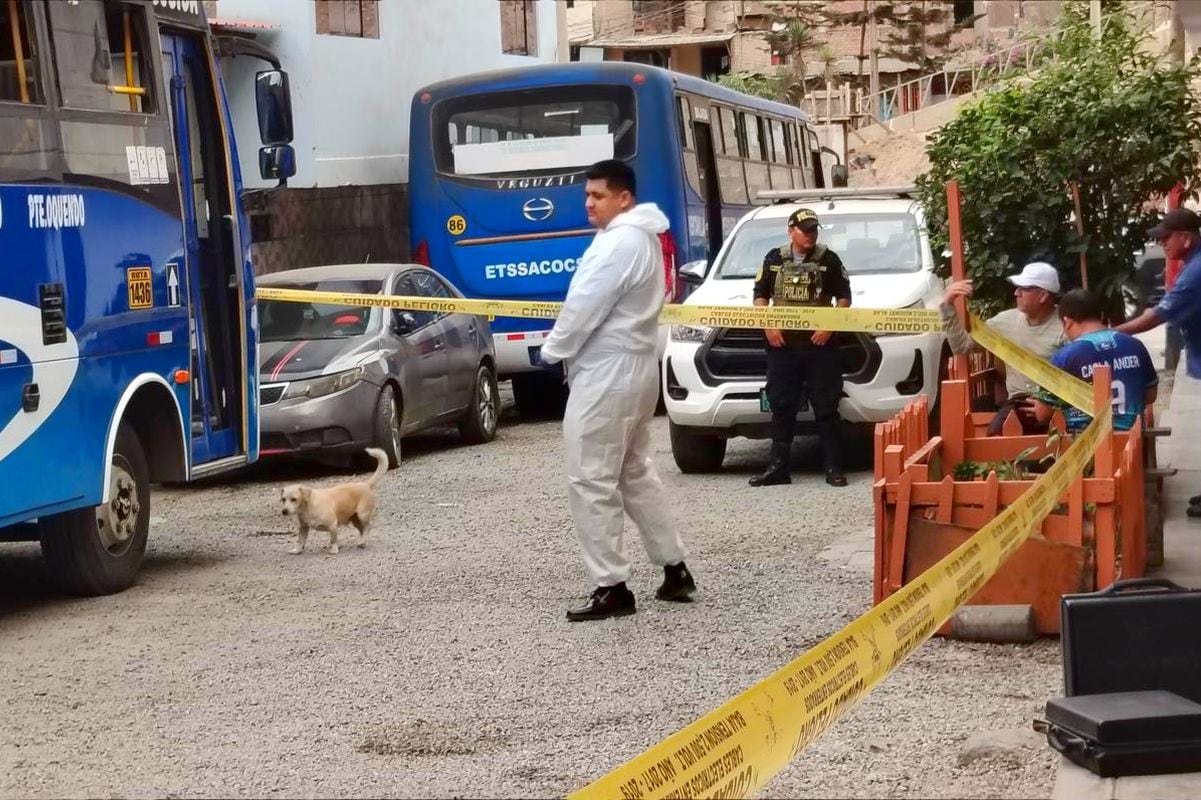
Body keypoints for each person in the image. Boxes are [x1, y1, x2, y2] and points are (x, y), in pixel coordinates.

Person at [537, 159, 696, 622]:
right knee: (633, 472)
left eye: (598, 195)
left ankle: (611, 586)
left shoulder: (619, 242)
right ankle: (674, 567)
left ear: (624, 198)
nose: (589, 203)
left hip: (608, 370)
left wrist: (552, 350)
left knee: (590, 477)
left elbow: (583, 304)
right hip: (633, 368)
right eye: (587, 195)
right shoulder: (639, 238)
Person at [749, 208, 852, 488]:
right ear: (790, 230)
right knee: (781, 405)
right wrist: (768, 327)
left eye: (813, 230)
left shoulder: (829, 260)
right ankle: (778, 467)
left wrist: (828, 326)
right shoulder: (774, 259)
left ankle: (833, 467)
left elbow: (844, 298)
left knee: (826, 406)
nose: (810, 235)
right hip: (784, 347)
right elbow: (760, 297)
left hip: (819, 347)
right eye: (805, 230)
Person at [1118, 207, 1201, 516]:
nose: (1162, 244)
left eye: (1167, 238)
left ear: (1186, 238)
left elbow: (1156, 315)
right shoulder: (1193, 264)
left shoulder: (1195, 271)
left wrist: (1110, 333)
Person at [941, 261, 1067, 434]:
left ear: (1043, 295)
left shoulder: (1066, 324)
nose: (1016, 293)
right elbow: (963, 347)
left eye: (1023, 288)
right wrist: (947, 305)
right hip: (1019, 403)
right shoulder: (1003, 322)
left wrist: (1050, 404)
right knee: (995, 441)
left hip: (1062, 403)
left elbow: (1081, 370)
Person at [1027, 289, 1157, 433]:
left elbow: (1042, 415)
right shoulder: (1135, 346)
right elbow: (1151, 396)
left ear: (1066, 321)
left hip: (1087, 446)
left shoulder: (1064, 357)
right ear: (1100, 316)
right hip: (1133, 441)